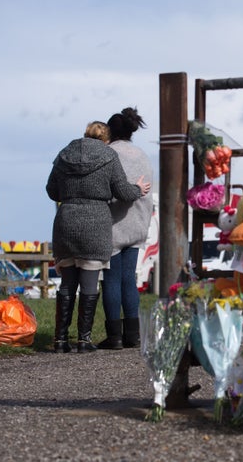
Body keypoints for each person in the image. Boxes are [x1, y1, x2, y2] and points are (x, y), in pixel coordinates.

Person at [46, 121, 150, 353]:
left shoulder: (64, 154)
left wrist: (71, 192)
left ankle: (60, 340)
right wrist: (138, 189)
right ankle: (84, 340)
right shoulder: (108, 155)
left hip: (66, 221)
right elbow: (123, 192)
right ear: (106, 139)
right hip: (96, 222)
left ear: (85, 134)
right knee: (90, 284)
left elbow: (52, 190)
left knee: (67, 284)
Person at [97, 107, 153, 350]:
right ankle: (134, 334)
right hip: (138, 223)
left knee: (111, 280)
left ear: (109, 131)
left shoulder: (107, 153)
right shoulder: (141, 154)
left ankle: (115, 336)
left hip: (113, 224)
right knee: (129, 279)